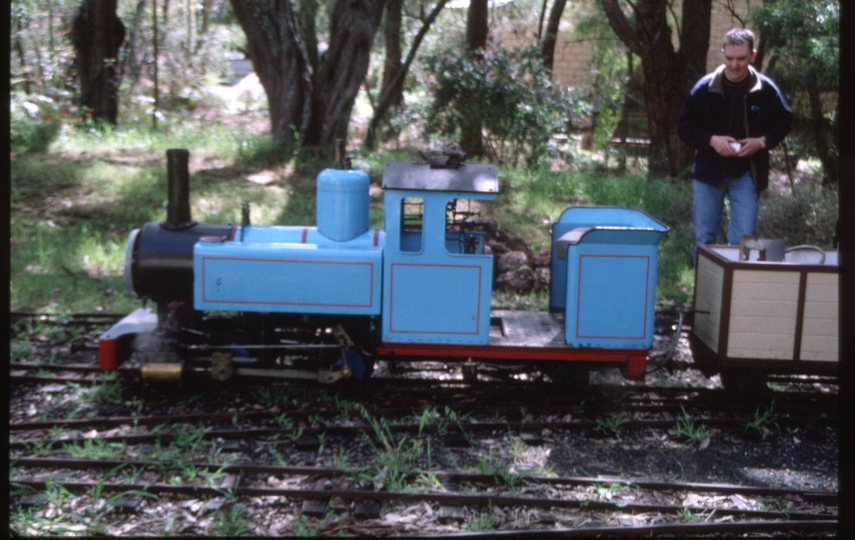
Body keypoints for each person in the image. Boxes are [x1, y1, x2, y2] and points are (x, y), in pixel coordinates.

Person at [677, 28, 793, 264]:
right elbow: (684, 128)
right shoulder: (703, 88)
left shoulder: (766, 89)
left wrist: (761, 142)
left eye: (741, 59)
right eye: (729, 58)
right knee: (705, 237)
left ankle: (734, 297)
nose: (734, 65)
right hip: (710, 171)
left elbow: (786, 122)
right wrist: (711, 140)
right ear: (722, 55)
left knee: (743, 239)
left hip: (747, 173)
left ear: (752, 55)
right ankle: (703, 296)